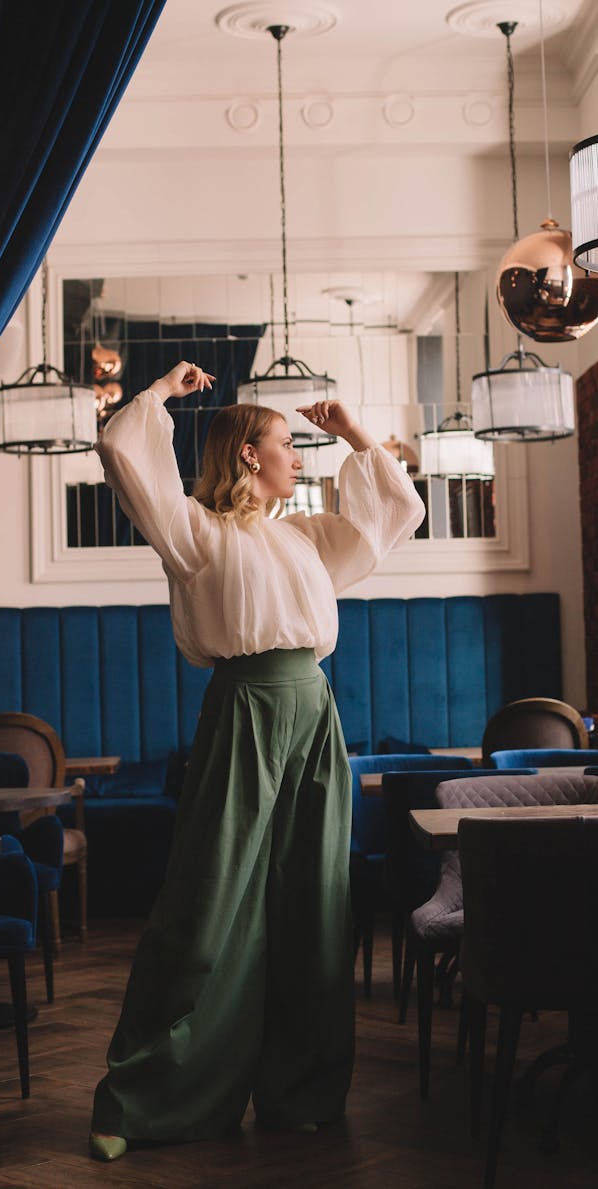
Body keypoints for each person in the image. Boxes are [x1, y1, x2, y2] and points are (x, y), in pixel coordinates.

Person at [89, 360, 426, 1162]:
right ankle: (141, 1096)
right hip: (244, 710)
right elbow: (125, 457)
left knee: (316, 898)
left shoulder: (305, 537)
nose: (297, 455)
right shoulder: (196, 532)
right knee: (208, 898)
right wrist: (164, 392)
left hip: (314, 712)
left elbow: (393, 515)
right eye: (287, 443)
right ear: (248, 454)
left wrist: (350, 431)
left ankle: (302, 1091)